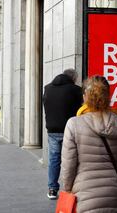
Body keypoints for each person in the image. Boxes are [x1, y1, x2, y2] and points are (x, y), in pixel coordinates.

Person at [61, 75, 117, 213]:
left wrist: (67, 188)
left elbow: (68, 165)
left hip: (83, 192)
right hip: (113, 190)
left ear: (85, 97)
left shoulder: (74, 124)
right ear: (108, 96)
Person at [43, 69, 83, 200]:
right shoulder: (75, 89)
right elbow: (80, 109)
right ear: (73, 78)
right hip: (69, 130)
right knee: (72, 160)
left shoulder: (47, 88)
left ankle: (52, 189)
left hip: (53, 130)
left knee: (54, 160)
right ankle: (72, 188)